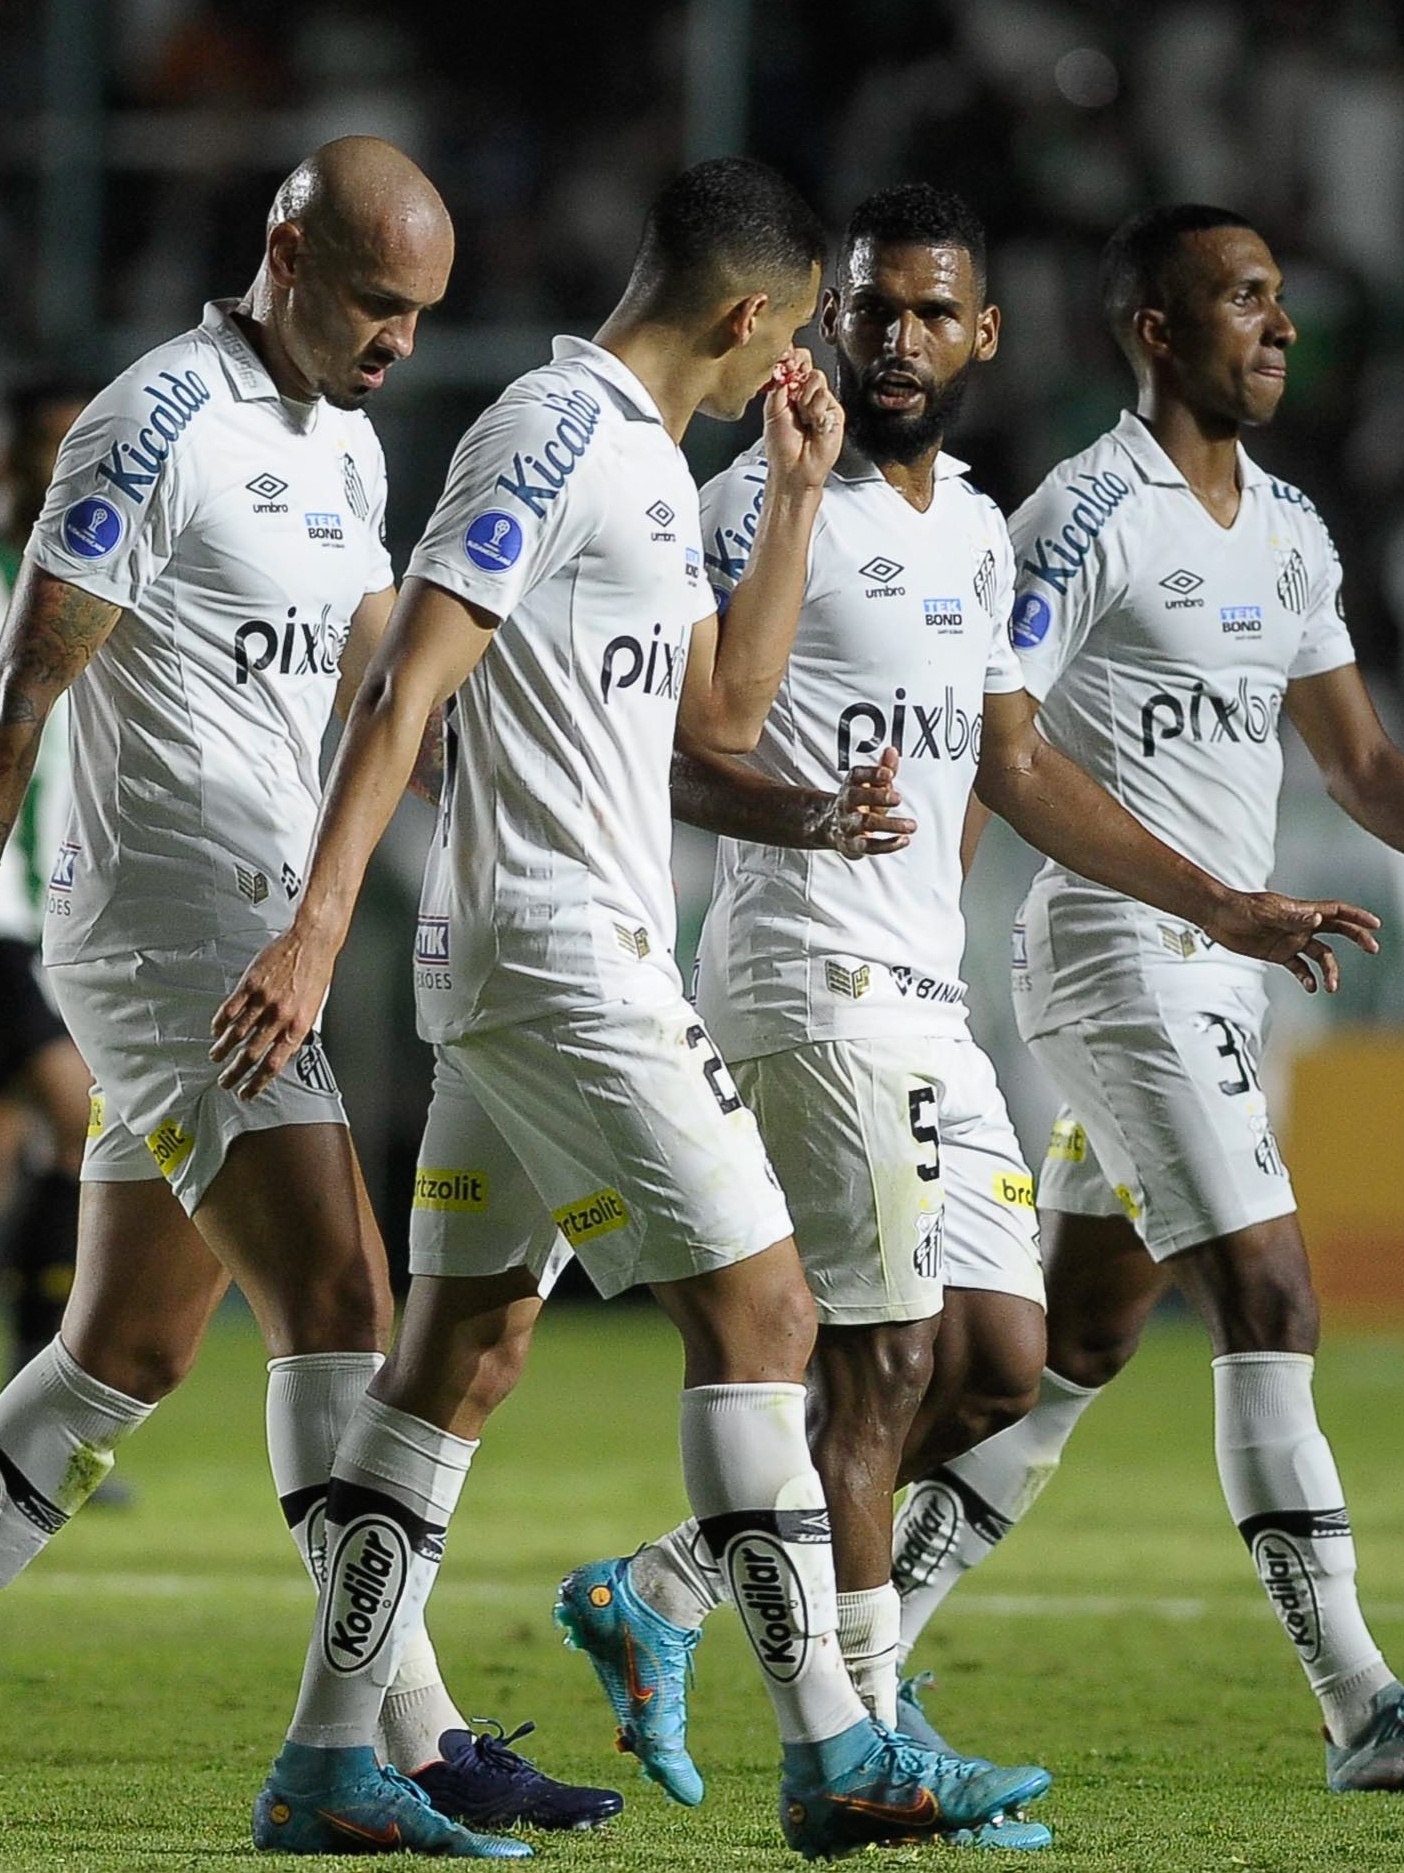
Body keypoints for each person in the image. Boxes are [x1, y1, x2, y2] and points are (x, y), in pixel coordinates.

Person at [210, 155, 1058, 1862]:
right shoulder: (549, 429)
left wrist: (800, 501)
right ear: (749, 314)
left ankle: (322, 1758)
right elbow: (407, 681)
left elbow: (718, 715)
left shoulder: (666, 472)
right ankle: (835, 1743)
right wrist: (312, 928)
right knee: (764, 1324)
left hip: (558, 967)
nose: (801, 363)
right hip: (557, 962)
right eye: (799, 330)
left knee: (460, 1349)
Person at [555, 183, 1384, 1813]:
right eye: (871, 310)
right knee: (901, 1360)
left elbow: (1014, 759)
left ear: (980, 335)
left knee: (1009, 1359)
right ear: (826, 325)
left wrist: (1220, 898)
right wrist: (796, 816)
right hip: (817, 980)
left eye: (933, 312)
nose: (900, 339)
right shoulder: (759, 507)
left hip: (933, 996)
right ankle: (862, 1739)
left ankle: (657, 1588)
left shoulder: (973, 527)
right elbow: (671, 733)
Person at [0, 137, 616, 1852]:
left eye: (420, 313)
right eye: (371, 301)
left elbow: (367, 673)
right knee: (348, 1296)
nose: (398, 342)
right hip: (170, 936)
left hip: (265, 925)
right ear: (284, 249)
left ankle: (396, 1741)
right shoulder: (151, 420)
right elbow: (29, 686)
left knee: (118, 1351)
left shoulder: (340, 442)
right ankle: (373, 1749)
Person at [886, 202, 1404, 1794]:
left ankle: (760, 1605)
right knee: (1273, 1301)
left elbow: (1365, 765)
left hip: (1224, 972)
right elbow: (1000, 743)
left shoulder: (1294, 530)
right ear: (1158, 330)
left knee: (1077, 1348)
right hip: (1124, 961)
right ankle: (1363, 1703)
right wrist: (916, 946)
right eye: (1244, 300)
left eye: (1280, 299)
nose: (1282, 326)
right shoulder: (1082, 514)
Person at [0, 383, 97, 1380]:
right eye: (51, 445)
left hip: (51, 918)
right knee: (77, 1113)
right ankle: (39, 1380)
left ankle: (21, 1391)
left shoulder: (101, 583)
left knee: (20, 1150)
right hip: (2, 914)